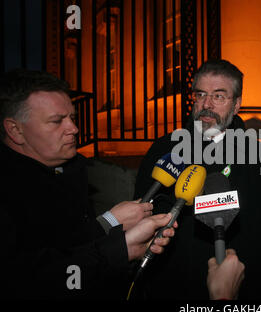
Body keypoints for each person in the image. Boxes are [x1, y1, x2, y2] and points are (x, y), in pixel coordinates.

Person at [0, 69, 175, 299]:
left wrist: (111, 226)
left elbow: (70, 244)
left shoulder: (72, 171)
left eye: (72, 117)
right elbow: (32, 282)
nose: (73, 128)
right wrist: (119, 249)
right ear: (15, 130)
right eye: (56, 121)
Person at [134, 59, 261, 299]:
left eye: (218, 96)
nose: (206, 105)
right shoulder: (164, 148)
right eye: (201, 94)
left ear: (236, 105)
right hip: (169, 287)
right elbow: (141, 215)